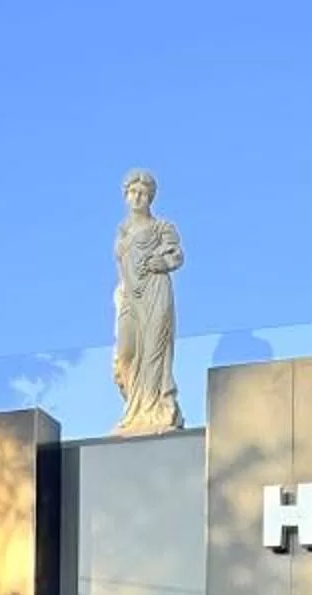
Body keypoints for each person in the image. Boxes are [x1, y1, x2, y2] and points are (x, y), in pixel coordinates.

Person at [111, 169, 185, 435]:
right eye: (133, 192)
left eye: (143, 193)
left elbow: (177, 256)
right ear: (125, 195)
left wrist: (161, 262)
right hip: (130, 297)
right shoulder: (122, 231)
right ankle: (135, 408)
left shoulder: (162, 227)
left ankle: (154, 411)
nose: (137, 197)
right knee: (125, 354)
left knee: (154, 352)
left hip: (155, 291)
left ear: (150, 197)